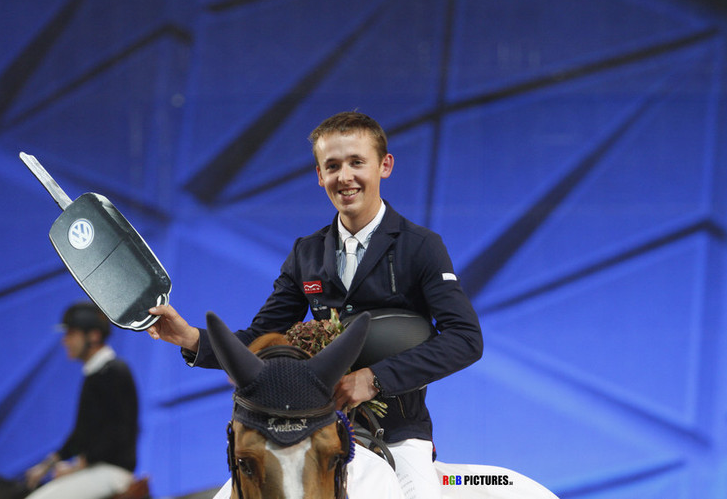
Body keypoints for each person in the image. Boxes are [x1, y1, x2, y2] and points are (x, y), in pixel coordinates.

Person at [148, 111, 483, 499]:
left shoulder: (421, 246)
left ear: (384, 166)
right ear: (319, 175)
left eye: (357, 162)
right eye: (332, 166)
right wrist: (191, 339)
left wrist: (374, 379)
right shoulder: (306, 253)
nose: (345, 176)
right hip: (312, 428)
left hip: (398, 435)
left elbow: (465, 339)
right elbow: (260, 338)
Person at [25, 301, 139, 499]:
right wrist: (48, 465)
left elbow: (119, 432)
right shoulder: (94, 374)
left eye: (71, 333)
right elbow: (81, 435)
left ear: (93, 335)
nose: (65, 341)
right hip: (96, 469)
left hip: (112, 471)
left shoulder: (114, 372)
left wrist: (78, 466)